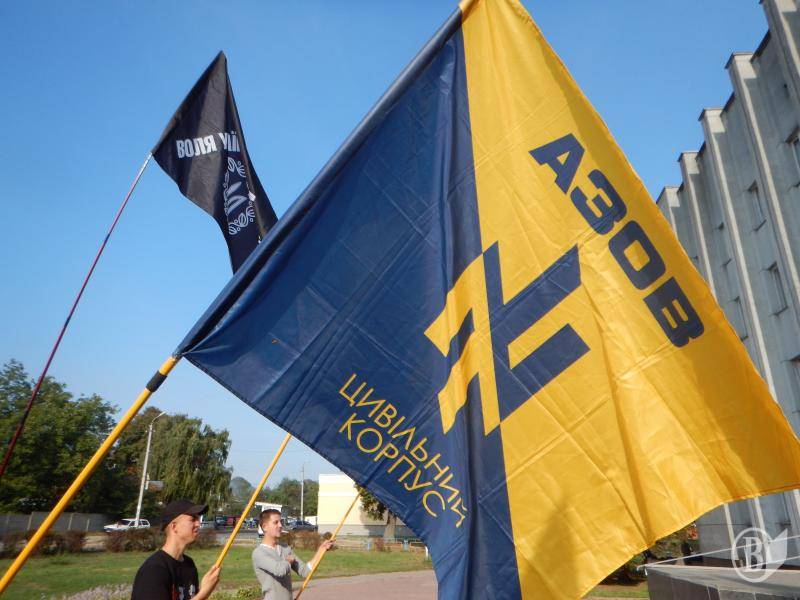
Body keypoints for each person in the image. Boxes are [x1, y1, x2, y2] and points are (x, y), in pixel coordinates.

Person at [131, 499, 221, 600]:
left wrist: (203, 591)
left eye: (198, 519)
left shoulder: (189, 565)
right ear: (174, 527)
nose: (198, 524)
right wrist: (203, 593)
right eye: (193, 519)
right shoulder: (154, 570)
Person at [252, 509, 333, 600]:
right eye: (276, 522)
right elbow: (280, 570)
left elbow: (305, 571)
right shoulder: (259, 553)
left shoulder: (285, 548)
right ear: (264, 527)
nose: (280, 525)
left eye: (281, 522)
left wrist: (322, 549)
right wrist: (289, 561)